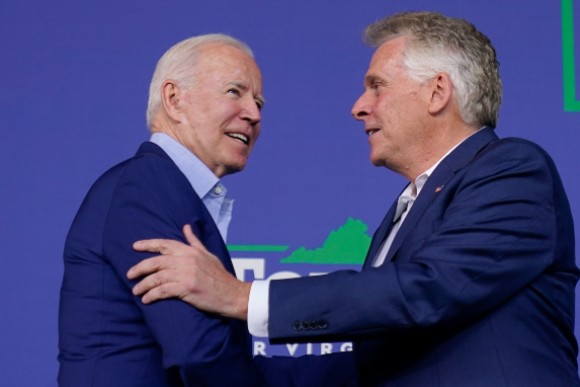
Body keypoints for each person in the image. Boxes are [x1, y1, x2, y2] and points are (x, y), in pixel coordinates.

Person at [127, 11, 580, 386]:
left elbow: (428, 290)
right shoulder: (406, 211)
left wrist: (243, 297)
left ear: (437, 92)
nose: (359, 106)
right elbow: (370, 362)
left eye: (377, 85)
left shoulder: (513, 169)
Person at [58, 34, 355, 386]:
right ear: (174, 99)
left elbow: (222, 359)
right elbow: (201, 354)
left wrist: (370, 366)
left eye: (259, 101)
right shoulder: (146, 185)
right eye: (234, 92)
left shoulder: (166, 188)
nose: (254, 114)